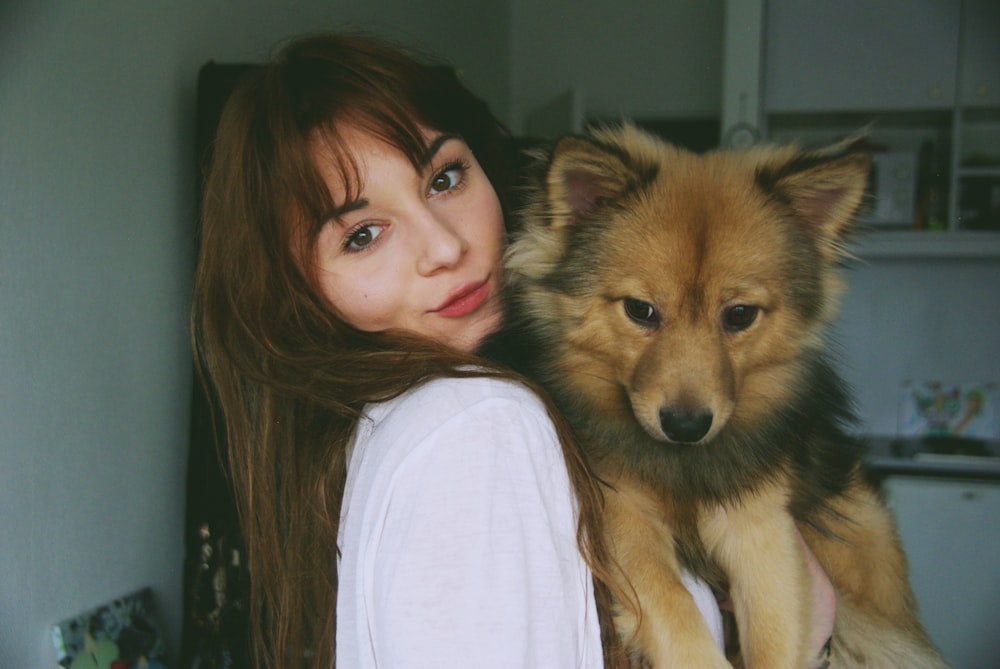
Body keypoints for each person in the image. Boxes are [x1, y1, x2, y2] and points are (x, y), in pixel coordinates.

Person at [190, 32, 834, 669]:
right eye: (362, 235)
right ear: (294, 290)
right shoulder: (478, 422)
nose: (444, 247)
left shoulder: (396, 419)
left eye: (445, 177)